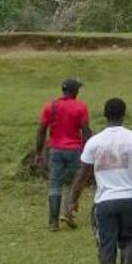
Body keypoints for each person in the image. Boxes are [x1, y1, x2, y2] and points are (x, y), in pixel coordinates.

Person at [68, 98, 132, 264]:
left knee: (107, 246)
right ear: (124, 114)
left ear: (104, 115)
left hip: (105, 201)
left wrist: (73, 199)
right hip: (130, 199)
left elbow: (82, 173)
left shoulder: (94, 142)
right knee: (129, 240)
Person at [35, 77, 92, 231]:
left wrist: (39, 152)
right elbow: (86, 130)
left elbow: (41, 130)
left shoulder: (50, 106)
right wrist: (92, 148)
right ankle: (68, 213)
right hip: (74, 150)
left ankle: (53, 222)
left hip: (55, 150)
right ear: (75, 91)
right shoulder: (81, 107)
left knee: (54, 185)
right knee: (73, 183)